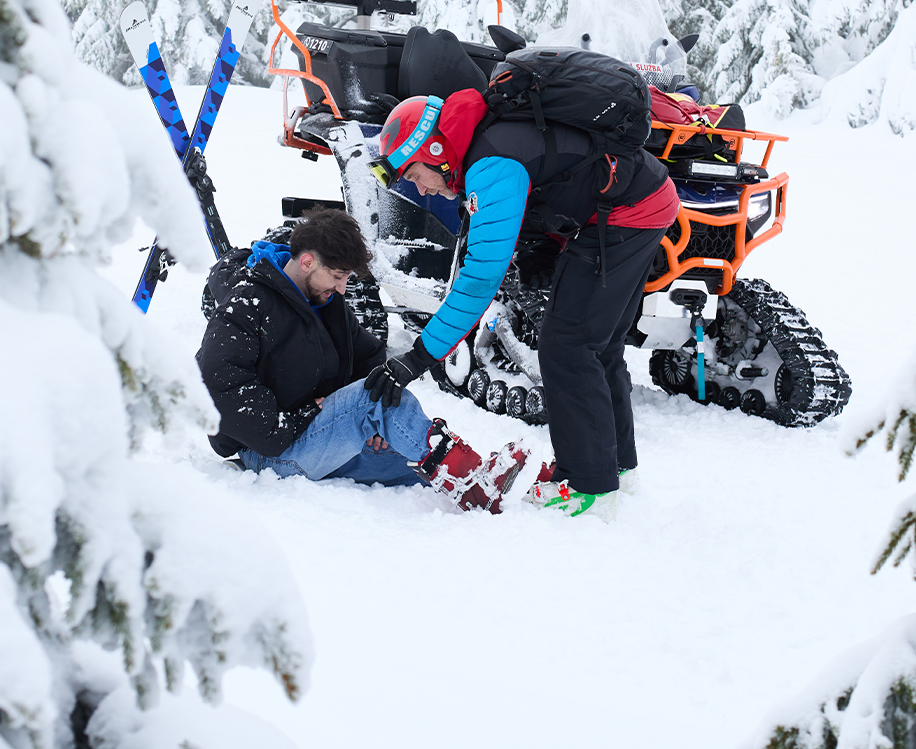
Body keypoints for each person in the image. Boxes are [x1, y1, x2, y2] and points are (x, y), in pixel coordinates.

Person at [365, 90, 680, 520]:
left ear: (435, 151)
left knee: (567, 346)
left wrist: (418, 357)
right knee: (598, 346)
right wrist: (540, 252)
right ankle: (617, 470)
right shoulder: (487, 142)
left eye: (415, 174)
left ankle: (589, 487)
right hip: (644, 199)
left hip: (626, 212)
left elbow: (478, 282)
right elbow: (552, 177)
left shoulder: (489, 163)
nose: (419, 187)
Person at [196, 206, 528, 513]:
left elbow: (367, 355)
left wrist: (373, 426)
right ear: (308, 262)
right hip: (270, 452)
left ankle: (495, 483)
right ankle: (473, 485)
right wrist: (300, 418)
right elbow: (218, 384)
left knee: (415, 455)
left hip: (313, 438)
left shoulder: (326, 303)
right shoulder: (247, 304)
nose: (342, 288)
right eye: (337, 276)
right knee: (376, 398)